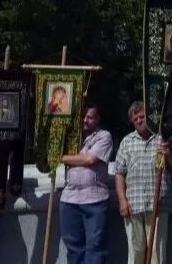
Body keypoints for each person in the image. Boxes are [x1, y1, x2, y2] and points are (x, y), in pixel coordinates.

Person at [115, 101, 172, 264]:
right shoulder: (126, 142)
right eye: (136, 118)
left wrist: (169, 154)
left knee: (157, 253)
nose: (139, 120)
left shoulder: (165, 137)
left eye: (142, 116)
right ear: (132, 122)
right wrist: (122, 200)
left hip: (159, 204)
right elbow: (119, 173)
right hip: (134, 205)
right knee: (136, 251)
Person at [60, 104, 114, 264]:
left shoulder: (104, 136)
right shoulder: (69, 138)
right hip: (69, 199)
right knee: (73, 248)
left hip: (95, 200)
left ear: (97, 119)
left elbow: (89, 159)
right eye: (83, 117)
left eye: (90, 117)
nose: (85, 120)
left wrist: (62, 158)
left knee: (95, 248)